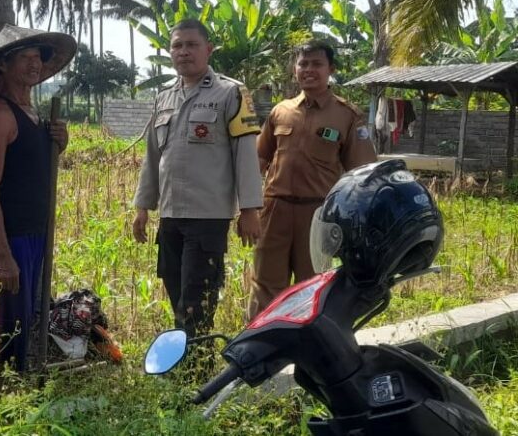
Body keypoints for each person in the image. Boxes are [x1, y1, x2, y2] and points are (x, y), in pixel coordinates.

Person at [132, 19, 264, 338]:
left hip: (208, 216)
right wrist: (142, 207)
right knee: (176, 291)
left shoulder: (231, 93)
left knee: (197, 299)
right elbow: (153, 156)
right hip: (171, 215)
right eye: (177, 46)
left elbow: (245, 152)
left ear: (209, 49)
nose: (184, 52)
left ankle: (196, 360)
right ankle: (185, 357)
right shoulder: (164, 98)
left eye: (192, 45)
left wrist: (249, 209)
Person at [0, 24, 76, 377]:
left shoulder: (35, 114)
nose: (34, 64)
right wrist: (2, 255)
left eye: (38, 57)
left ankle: (20, 384)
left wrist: (59, 142)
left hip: (35, 233)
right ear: (3, 64)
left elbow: (31, 166)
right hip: (10, 237)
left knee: (24, 314)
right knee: (3, 322)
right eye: (25, 57)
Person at [248, 40, 377, 319]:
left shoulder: (346, 116)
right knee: (265, 283)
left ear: (331, 69)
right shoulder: (280, 111)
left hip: (317, 213)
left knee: (312, 286)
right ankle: (261, 341)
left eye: (316, 64)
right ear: (294, 69)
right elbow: (259, 159)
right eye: (303, 64)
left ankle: (305, 342)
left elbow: (362, 174)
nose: (308, 70)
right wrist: (247, 206)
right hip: (275, 210)